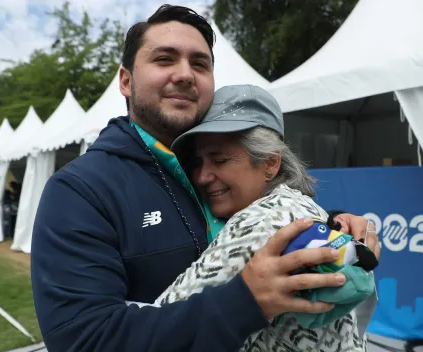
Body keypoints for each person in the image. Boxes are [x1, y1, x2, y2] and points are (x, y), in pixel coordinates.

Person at [30, 5, 380, 352]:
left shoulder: (199, 168)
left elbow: (256, 217)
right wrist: (244, 303)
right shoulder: (79, 189)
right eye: (164, 59)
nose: (185, 74)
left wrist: (331, 225)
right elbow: (84, 340)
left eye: (199, 64)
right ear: (126, 80)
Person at [154, 84, 377, 351]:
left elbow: (158, 331)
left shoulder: (260, 222)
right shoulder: (301, 208)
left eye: (220, 160)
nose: (202, 176)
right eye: (199, 162)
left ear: (270, 163)